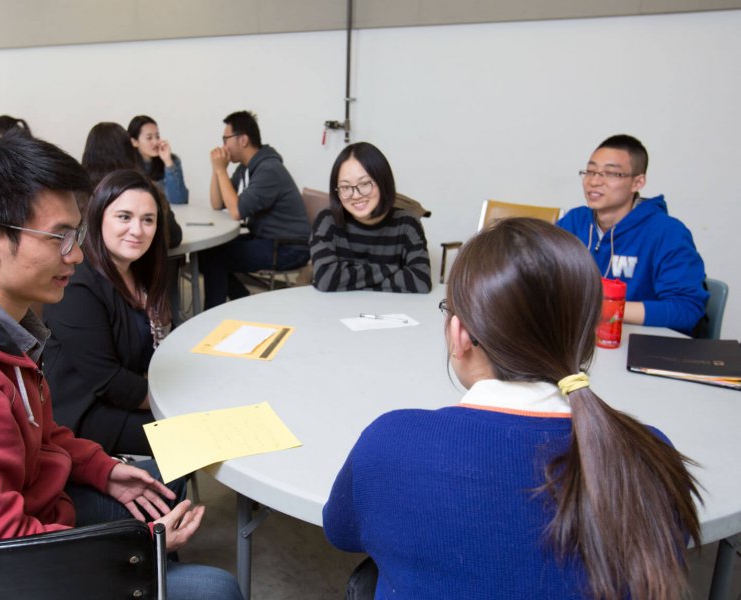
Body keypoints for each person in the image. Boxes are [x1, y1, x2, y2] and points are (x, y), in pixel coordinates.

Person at [0, 133, 242, 600]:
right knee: (215, 588)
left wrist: (103, 469)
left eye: (76, 235)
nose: (76, 255)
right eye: (60, 237)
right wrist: (137, 553)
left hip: (27, 509)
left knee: (158, 485)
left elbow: (40, 433)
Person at [324, 218, 701, 600]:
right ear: (586, 336)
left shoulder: (391, 442)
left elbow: (341, 532)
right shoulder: (649, 454)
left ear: (460, 334)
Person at [44, 170, 172, 456]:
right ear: (99, 217)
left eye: (147, 220)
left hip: (132, 392)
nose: (137, 230)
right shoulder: (76, 285)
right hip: (87, 413)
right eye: (124, 217)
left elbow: (168, 332)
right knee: (192, 436)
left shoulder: (141, 269)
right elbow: (108, 382)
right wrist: (176, 397)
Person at [558, 134, 708, 336]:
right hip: (580, 339)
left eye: (610, 174)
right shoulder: (574, 222)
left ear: (638, 182)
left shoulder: (667, 232)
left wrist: (604, 309)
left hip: (641, 345)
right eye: (590, 171)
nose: (594, 181)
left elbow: (686, 310)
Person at [201, 110, 310, 308]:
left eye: (226, 139)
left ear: (242, 140)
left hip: (289, 247)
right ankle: (244, 302)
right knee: (207, 252)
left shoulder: (268, 169)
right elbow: (218, 203)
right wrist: (217, 170)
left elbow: (236, 212)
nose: (223, 145)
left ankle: (214, 314)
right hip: (268, 239)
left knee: (216, 259)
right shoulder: (246, 167)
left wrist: (220, 170)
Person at [310, 142, 431, 293]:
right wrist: (392, 269)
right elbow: (326, 280)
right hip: (333, 311)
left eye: (365, 184)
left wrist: (346, 279)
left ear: (383, 182)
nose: (356, 195)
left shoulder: (407, 223)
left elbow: (420, 281)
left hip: (391, 312)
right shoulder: (327, 221)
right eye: (345, 187)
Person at [80, 122, 181, 247]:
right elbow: (174, 236)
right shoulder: (146, 189)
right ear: (130, 150)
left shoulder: (77, 194)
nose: (136, 231)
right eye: (124, 217)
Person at [128, 114, 189, 204]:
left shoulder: (172, 160)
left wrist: (167, 162)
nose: (156, 142)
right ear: (134, 142)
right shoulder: (127, 164)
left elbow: (179, 200)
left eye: (157, 136)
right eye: (149, 138)